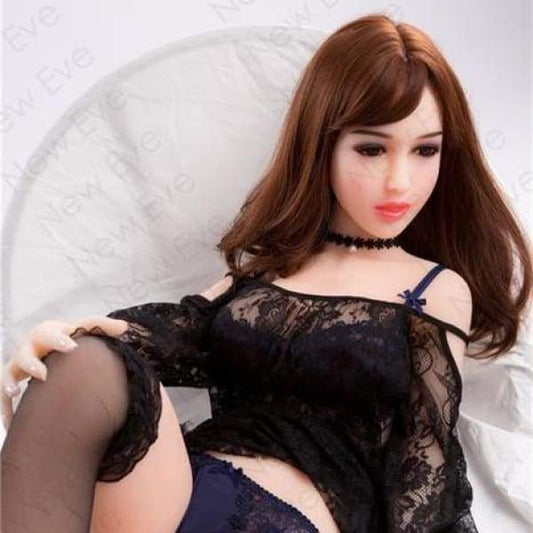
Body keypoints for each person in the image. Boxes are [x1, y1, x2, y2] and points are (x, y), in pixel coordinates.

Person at [1, 12, 531, 533]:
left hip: (289, 517)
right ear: (322, 144)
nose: (400, 181)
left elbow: (424, 478)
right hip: (179, 491)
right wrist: (63, 343)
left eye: (425, 150)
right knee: (83, 359)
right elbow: (152, 340)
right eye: (371, 148)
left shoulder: (432, 290)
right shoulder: (268, 269)